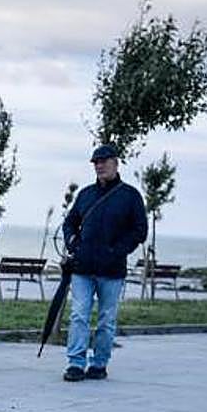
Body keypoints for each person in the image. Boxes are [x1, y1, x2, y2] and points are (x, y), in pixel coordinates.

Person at [60, 143, 147, 381]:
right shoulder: (86, 194)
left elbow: (140, 230)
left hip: (112, 270)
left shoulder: (130, 196)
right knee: (79, 315)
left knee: (107, 320)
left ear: (115, 163)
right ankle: (76, 363)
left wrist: (117, 251)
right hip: (83, 268)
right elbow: (69, 222)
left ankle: (99, 363)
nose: (99, 166)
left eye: (104, 161)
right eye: (96, 162)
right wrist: (72, 242)